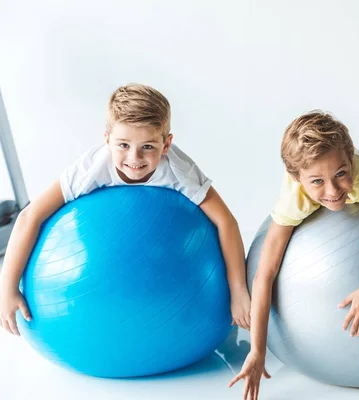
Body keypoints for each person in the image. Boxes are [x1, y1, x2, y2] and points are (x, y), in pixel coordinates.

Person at [0, 83, 251, 335]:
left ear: (166, 145)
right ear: (107, 139)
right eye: (123, 145)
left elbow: (225, 221)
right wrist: (7, 287)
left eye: (148, 147)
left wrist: (238, 290)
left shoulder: (179, 171)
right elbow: (29, 216)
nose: (134, 158)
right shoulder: (91, 170)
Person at [229, 110, 359, 400]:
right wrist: (257, 350)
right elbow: (265, 274)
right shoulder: (294, 196)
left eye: (340, 174)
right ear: (297, 178)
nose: (333, 191)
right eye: (317, 181)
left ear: (349, 161)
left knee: (356, 180)